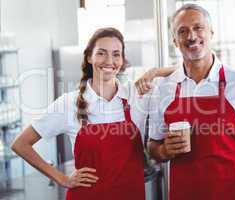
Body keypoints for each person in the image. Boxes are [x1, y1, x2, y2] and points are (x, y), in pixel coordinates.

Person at [11, 27, 175, 200]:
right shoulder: (69, 103)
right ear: (89, 57)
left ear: (122, 60)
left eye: (116, 54)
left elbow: (187, 68)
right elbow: (20, 144)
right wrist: (62, 179)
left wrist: (154, 72)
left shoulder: (137, 95)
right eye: (101, 53)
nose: (109, 60)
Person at [148, 4, 235, 200]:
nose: (191, 36)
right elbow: (153, 145)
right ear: (175, 41)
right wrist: (164, 151)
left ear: (211, 32)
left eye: (198, 27)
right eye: (182, 31)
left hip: (232, 194)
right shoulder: (163, 89)